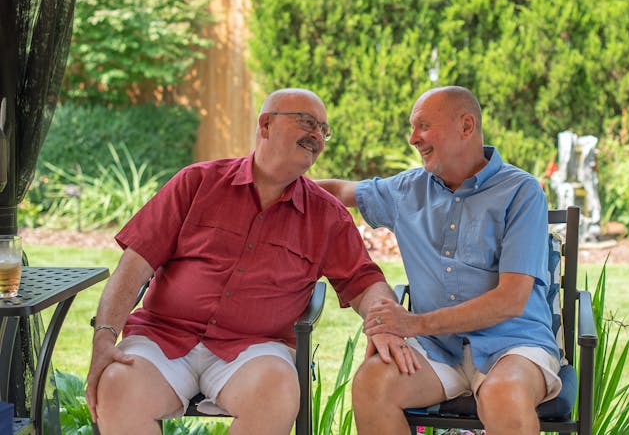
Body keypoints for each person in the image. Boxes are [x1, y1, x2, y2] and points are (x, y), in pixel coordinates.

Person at [85, 88, 411, 435]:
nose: (317, 135)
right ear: (266, 125)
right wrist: (104, 338)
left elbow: (366, 283)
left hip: (254, 352)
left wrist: (385, 321)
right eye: (307, 122)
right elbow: (133, 266)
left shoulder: (326, 214)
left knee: (278, 392)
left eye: (323, 130)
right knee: (117, 387)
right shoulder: (197, 182)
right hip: (163, 339)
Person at [318, 86, 562, 435]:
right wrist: (274, 182)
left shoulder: (520, 192)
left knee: (503, 395)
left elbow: (511, 300)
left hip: (513, 345)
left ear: (466, 126)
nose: (413, 138)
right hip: (436, 351)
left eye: (422, 126)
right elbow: (339, 192)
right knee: (372, 384)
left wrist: (413, 325)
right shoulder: (406, 190)